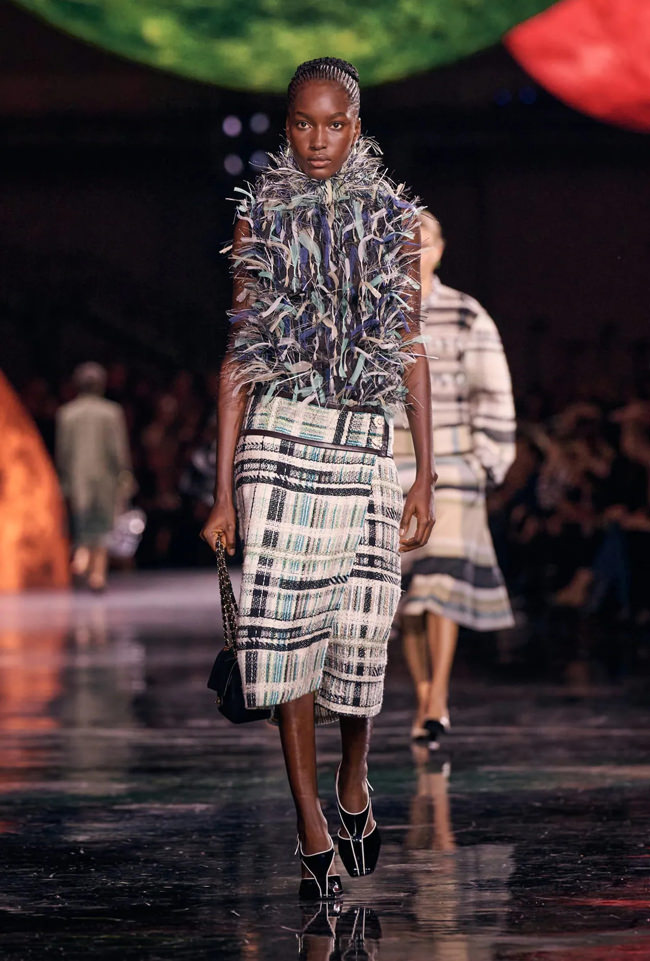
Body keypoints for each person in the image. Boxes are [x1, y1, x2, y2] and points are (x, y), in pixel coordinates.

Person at [200, 58, 436, 900]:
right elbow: (240, 354)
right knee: (285, 636)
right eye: (303, 123)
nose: (317, 139)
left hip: (363, 438)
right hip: (279, 437)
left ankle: (353, 775)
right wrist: (223, 491)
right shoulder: (260, 216)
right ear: (287, 126)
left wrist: (425, 475)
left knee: (364, 628)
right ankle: (309, 822)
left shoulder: (393, 221)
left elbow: (410, 346)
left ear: (356, 127)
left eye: (334, 124)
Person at [394, 212, 516, 747]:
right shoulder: (379, 312)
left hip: (455, 470)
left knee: (440, 585)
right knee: (409, 595)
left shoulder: (466, 314)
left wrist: (487, 461)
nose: (417, 251)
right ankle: (424, 692)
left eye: (425, 242)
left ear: (440, 249)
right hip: (392, 470)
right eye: (407, 243)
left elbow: (493, 389)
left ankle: (437, 695)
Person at [56, 362, 131, 592]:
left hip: (77, 476)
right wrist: (125, 475)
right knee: (103, 524)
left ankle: (82, 557)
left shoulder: (66, 414)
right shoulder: (111, 412)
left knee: (82, 521)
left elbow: (63, 452)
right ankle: (97, 574)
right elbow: (118, 450)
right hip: (105, 477)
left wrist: (64, 479)